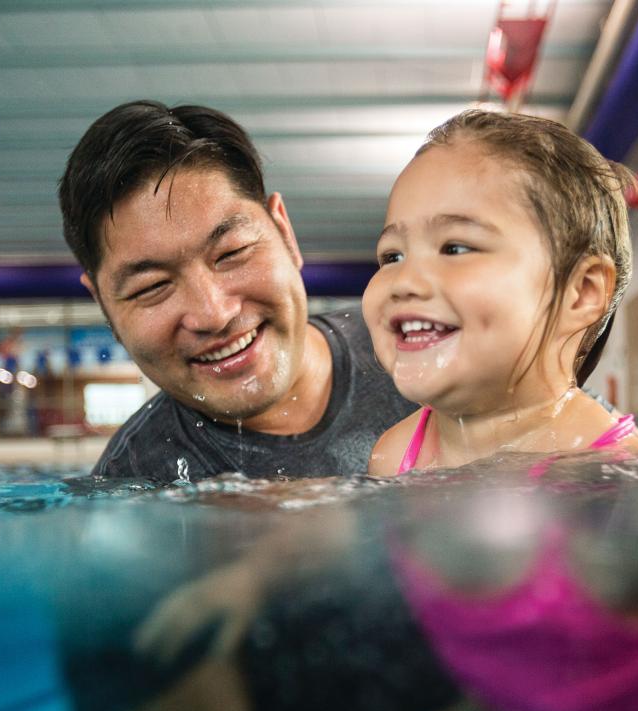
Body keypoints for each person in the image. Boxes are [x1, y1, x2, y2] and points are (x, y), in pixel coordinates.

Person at [58, 100, 414, 480]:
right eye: (153, 287)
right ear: (102, 303)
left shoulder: (415, 341)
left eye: (231, 253)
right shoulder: (132, 489)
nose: (214, 313)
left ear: (284, 232)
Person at [362, 109, 638, 476]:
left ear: (581, 292)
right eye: (392, 255)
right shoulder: (393, 454)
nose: (404, 280)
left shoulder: (622, 473)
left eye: (454, 248)